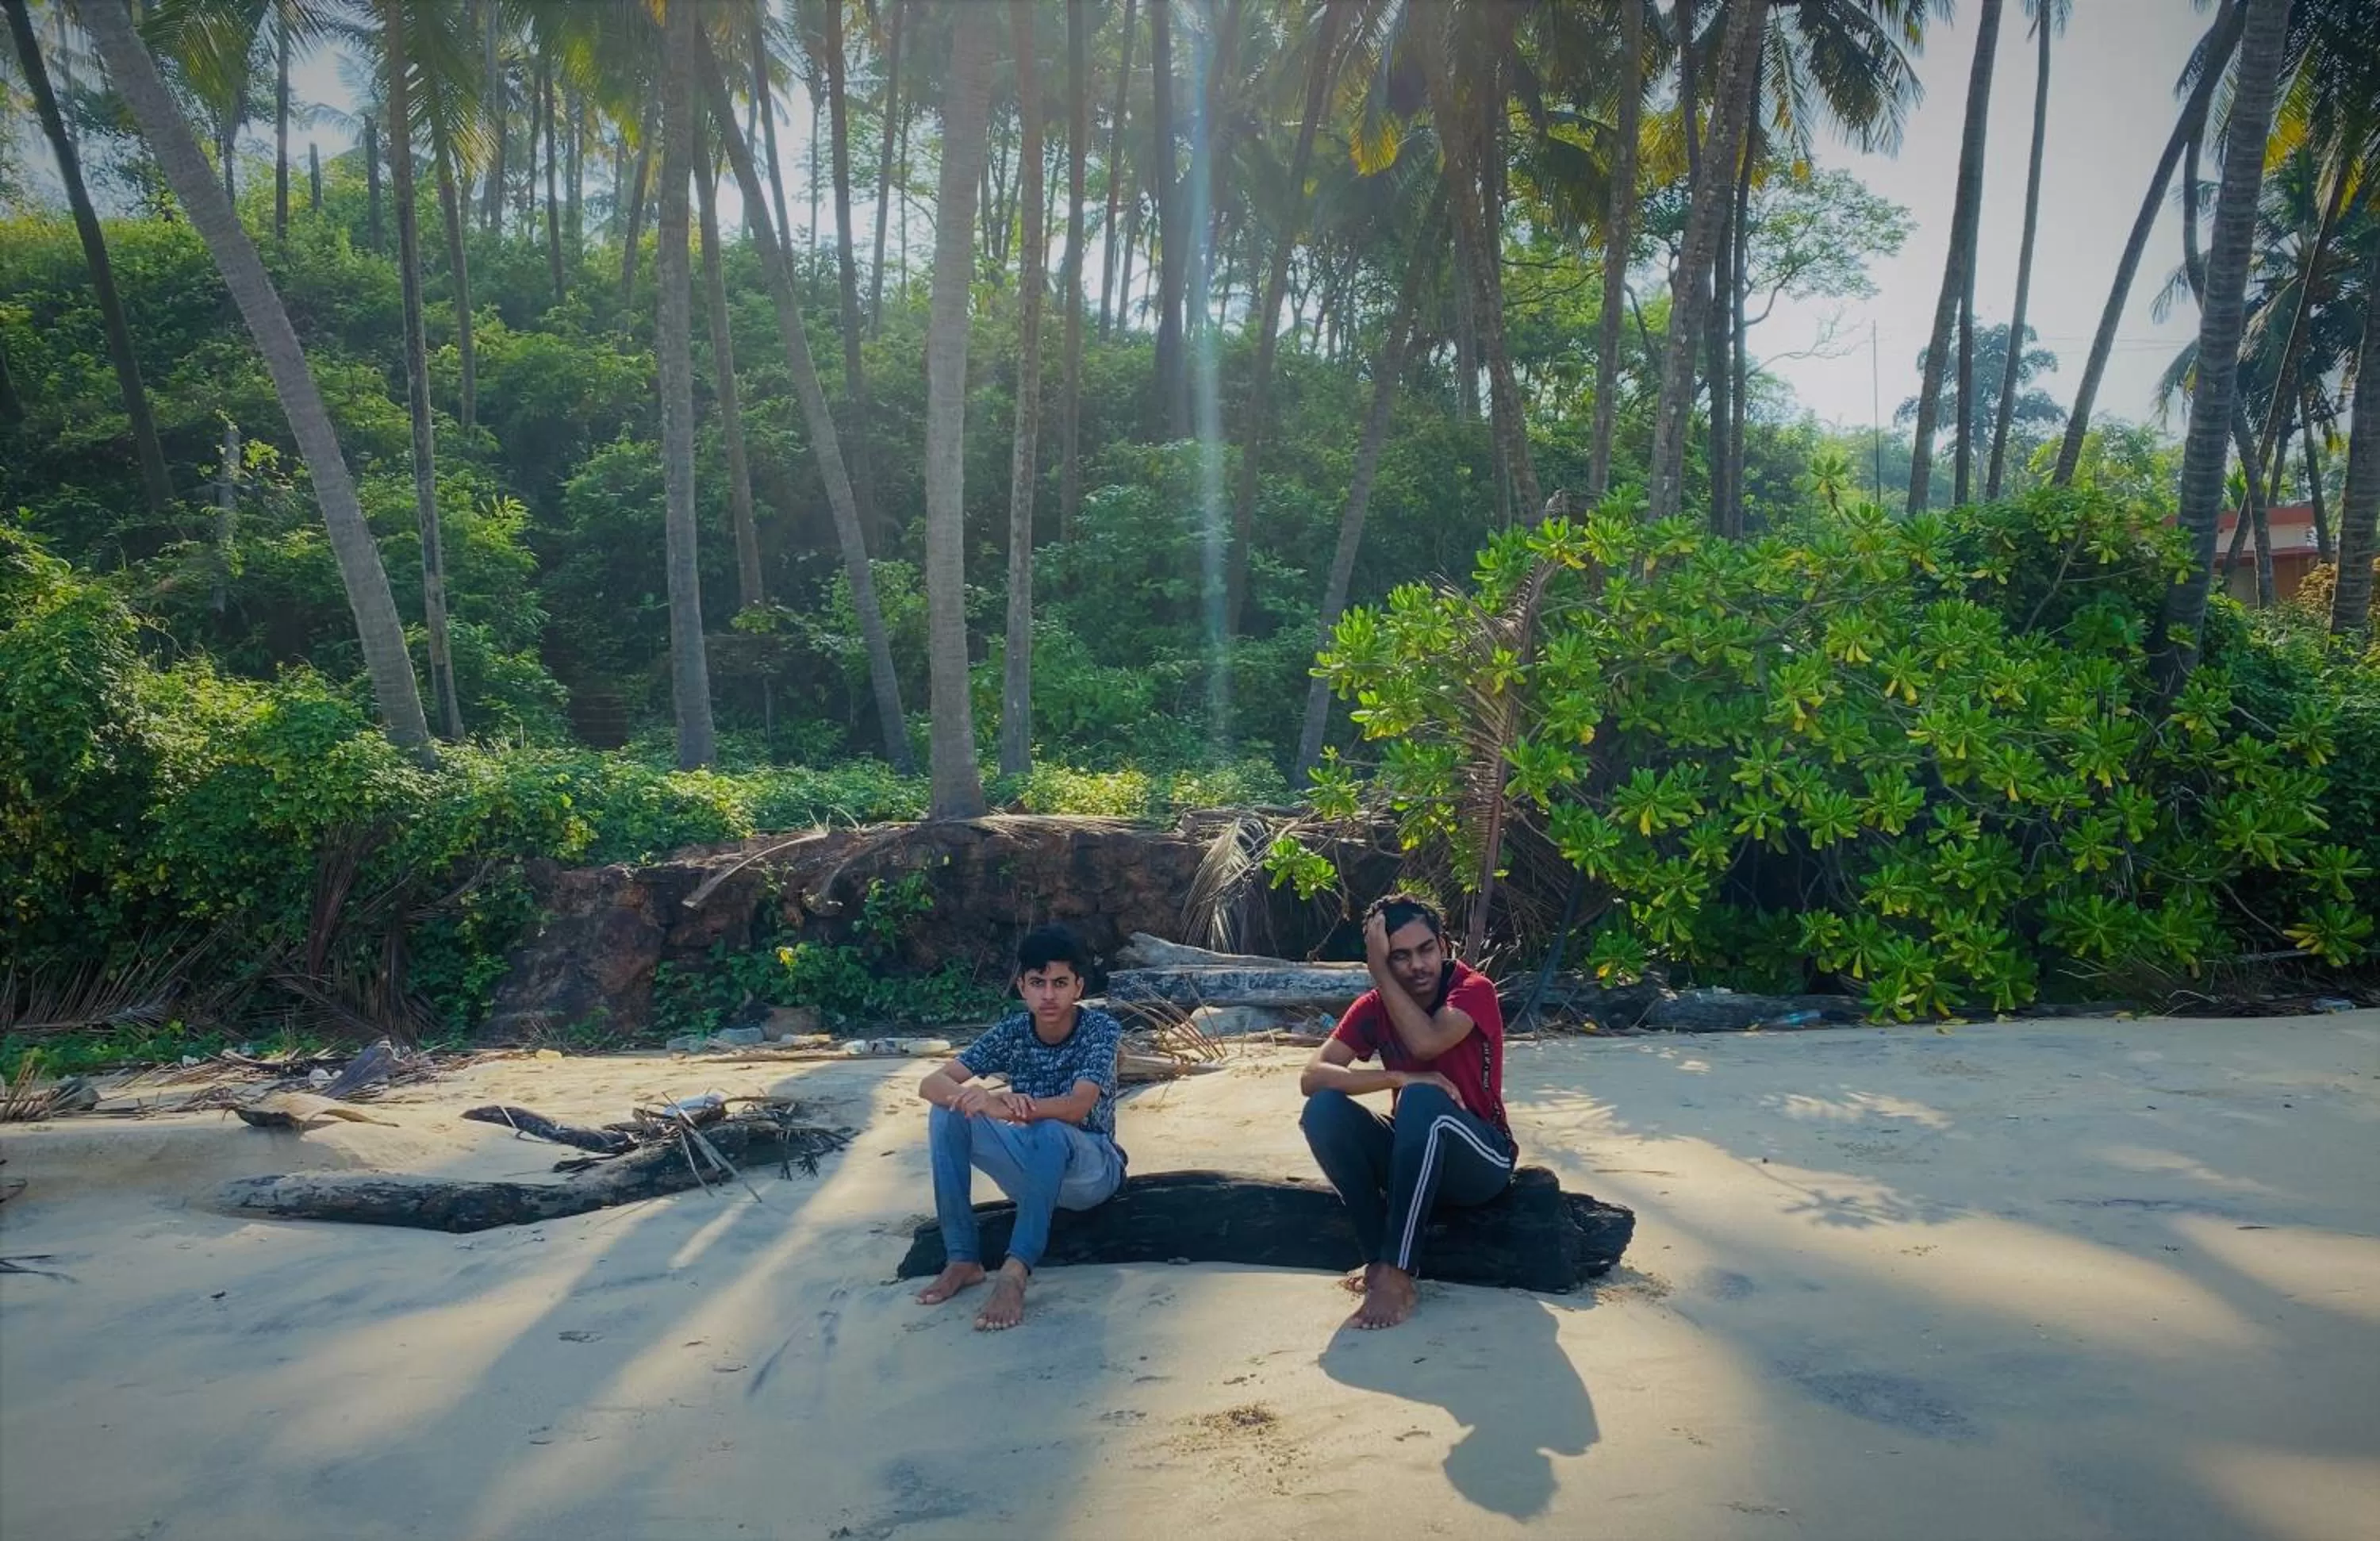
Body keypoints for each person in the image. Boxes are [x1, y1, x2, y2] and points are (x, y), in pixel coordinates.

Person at [1298, 893, 1515, 1329]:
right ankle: (1376, 1256)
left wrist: (1380, 973)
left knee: (1422, 1102)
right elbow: (1312, 1077)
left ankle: (1398, 1273)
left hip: (1483, 1159)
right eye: (1399, 957)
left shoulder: (1473, 991)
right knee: (1323, 1109)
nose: (1417, 965)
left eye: (1426, 950)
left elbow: (1426, 1043)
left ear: (1443, 945)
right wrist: (1397, 1078)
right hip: (1414, 1155)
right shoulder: (1374, 1010)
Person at [914, 924, 1127, 1330]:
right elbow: (931, 1083)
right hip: (1031, 1164)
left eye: (1060, 983)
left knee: (1048, 1129)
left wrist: (1004, 1107)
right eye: (1038, 983)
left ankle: (1015, 1271)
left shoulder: (1101, 1030)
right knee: (946, 1112)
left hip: (1092, 1168)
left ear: (1078, 987)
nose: (1049, 995)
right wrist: (972, 1095)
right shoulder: (1012, 1032)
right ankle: (962, 1257)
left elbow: (1078, 1107)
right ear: (1022, 987)